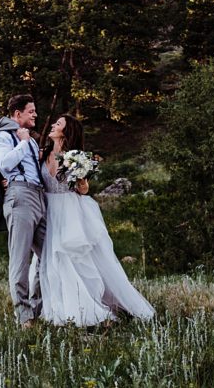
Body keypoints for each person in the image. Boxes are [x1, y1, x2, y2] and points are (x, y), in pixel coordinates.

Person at [38, 114, 155, 326]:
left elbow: (83, 189)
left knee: (72, 259)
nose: (53, 125)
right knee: (50, 260)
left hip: (69, 210)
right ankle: (56, 307)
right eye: (55, 123)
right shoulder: (42, 154)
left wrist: (80, 176)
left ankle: (84, 309)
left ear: (67, 131)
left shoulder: (75, 157)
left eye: (58, 124)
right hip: (48, 210)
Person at [0, 94, 45, 328]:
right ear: (17, 114)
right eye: (31, 111)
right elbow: (5, 164)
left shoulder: (32, 141)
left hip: (39, 196)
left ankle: (38, 308)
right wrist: (24, 142)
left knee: (51, 254)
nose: (35, 114)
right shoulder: (4, 136)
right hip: (20, 196)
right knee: (20, 257)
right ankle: (24, 315)